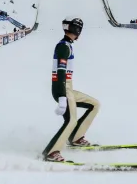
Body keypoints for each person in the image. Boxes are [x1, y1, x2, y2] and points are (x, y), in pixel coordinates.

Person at [43, 16, 100, 162]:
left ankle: (76, 137)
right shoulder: (63, 46)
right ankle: (51, 152)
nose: (80, 32)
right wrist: (62, 96)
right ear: (75, 30)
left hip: (68, 87)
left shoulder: (67, 45)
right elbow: (60, 72)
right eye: (78, 29)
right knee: (70, 121)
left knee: (94, 104)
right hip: (62, 87)